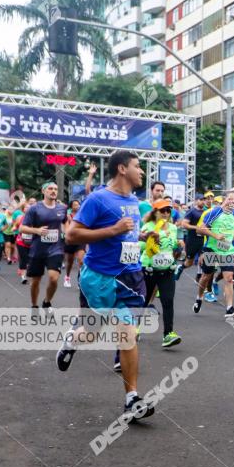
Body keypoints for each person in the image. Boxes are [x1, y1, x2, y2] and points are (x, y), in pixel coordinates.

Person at [59, 150, 156, 422]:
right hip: (100, 277)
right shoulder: (98, 199)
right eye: (138, 166)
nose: (142, 172)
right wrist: (112, 230)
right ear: (123, 169)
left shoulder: (135, 201)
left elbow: (128, 233)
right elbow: (72, 234)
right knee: (92, 332)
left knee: (127, 334)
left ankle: (132, 399)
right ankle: (72, 339)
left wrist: (143, 234)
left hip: (131, 276)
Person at [139, 198, 183, 347]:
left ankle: (168, 334)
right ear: (155, 212)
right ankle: (135, 328)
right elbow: (140, 245)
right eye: (162, 210)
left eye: (168, 210)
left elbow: (172, 246)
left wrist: (179, 246)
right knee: (143, 301)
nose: (166, 213)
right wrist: (149, 241)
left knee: (168, 300)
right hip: (149, 269)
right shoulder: (148, 226)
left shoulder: (172, 227)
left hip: (167, 269)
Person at [19, 182, 68, 310]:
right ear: (43, 191)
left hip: (55, 248)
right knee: (35, 282)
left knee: (53, 278)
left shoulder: (62, 208)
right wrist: (37, 231)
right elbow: (22, 228)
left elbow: (65, 222)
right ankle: (34, 306)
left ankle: (47, 301)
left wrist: (67, 233)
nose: (53, 191)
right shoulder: (34, 208)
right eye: (50, 189)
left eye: (56, 189)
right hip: (37, 250)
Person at [195, 191, 234, 318]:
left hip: (227, 250)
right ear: (224, 200)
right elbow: (200, 229)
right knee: (206, 276)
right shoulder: (215, 212)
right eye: (229, 199)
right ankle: (199, 297)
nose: (232, 202)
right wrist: (215, 235)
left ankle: (229, 308)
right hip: (212, 248)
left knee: (229, 278)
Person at [176, 193, 206, 283]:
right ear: (196, 201)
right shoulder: (191, 211)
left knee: (203, 258)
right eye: (201, 200)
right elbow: (184, 224)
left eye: (204, 200)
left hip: (203, 239)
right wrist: (196, 227)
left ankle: (199, 275)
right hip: (192, 239)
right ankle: (181, 267)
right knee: (189, 262)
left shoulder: (206, 211)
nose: (203, 202)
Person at [63, 199, 86, 288]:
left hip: (80, 240)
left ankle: (80, 280)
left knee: (81, 260)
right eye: (75, 205)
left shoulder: (83, 215)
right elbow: (67, 229)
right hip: (71, 240)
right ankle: (67, 277)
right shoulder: (68, 216)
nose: (77, 206)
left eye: (78, 204)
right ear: (71, 206)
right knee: (70, 262)